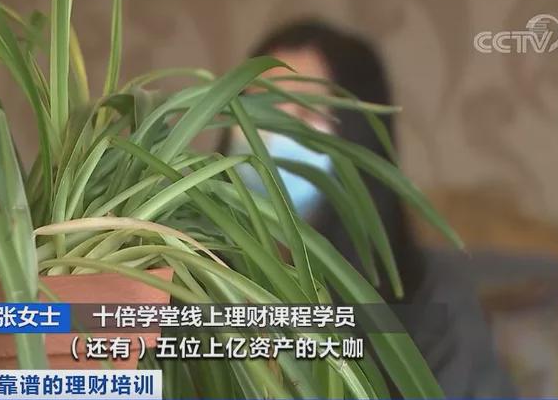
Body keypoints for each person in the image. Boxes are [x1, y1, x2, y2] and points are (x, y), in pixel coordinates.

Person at [220, 20, 516, 398]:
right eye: (255, 108)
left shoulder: (431, 299)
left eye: (306, 112)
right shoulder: (182, 276)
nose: (269, 135)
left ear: (358, 142)